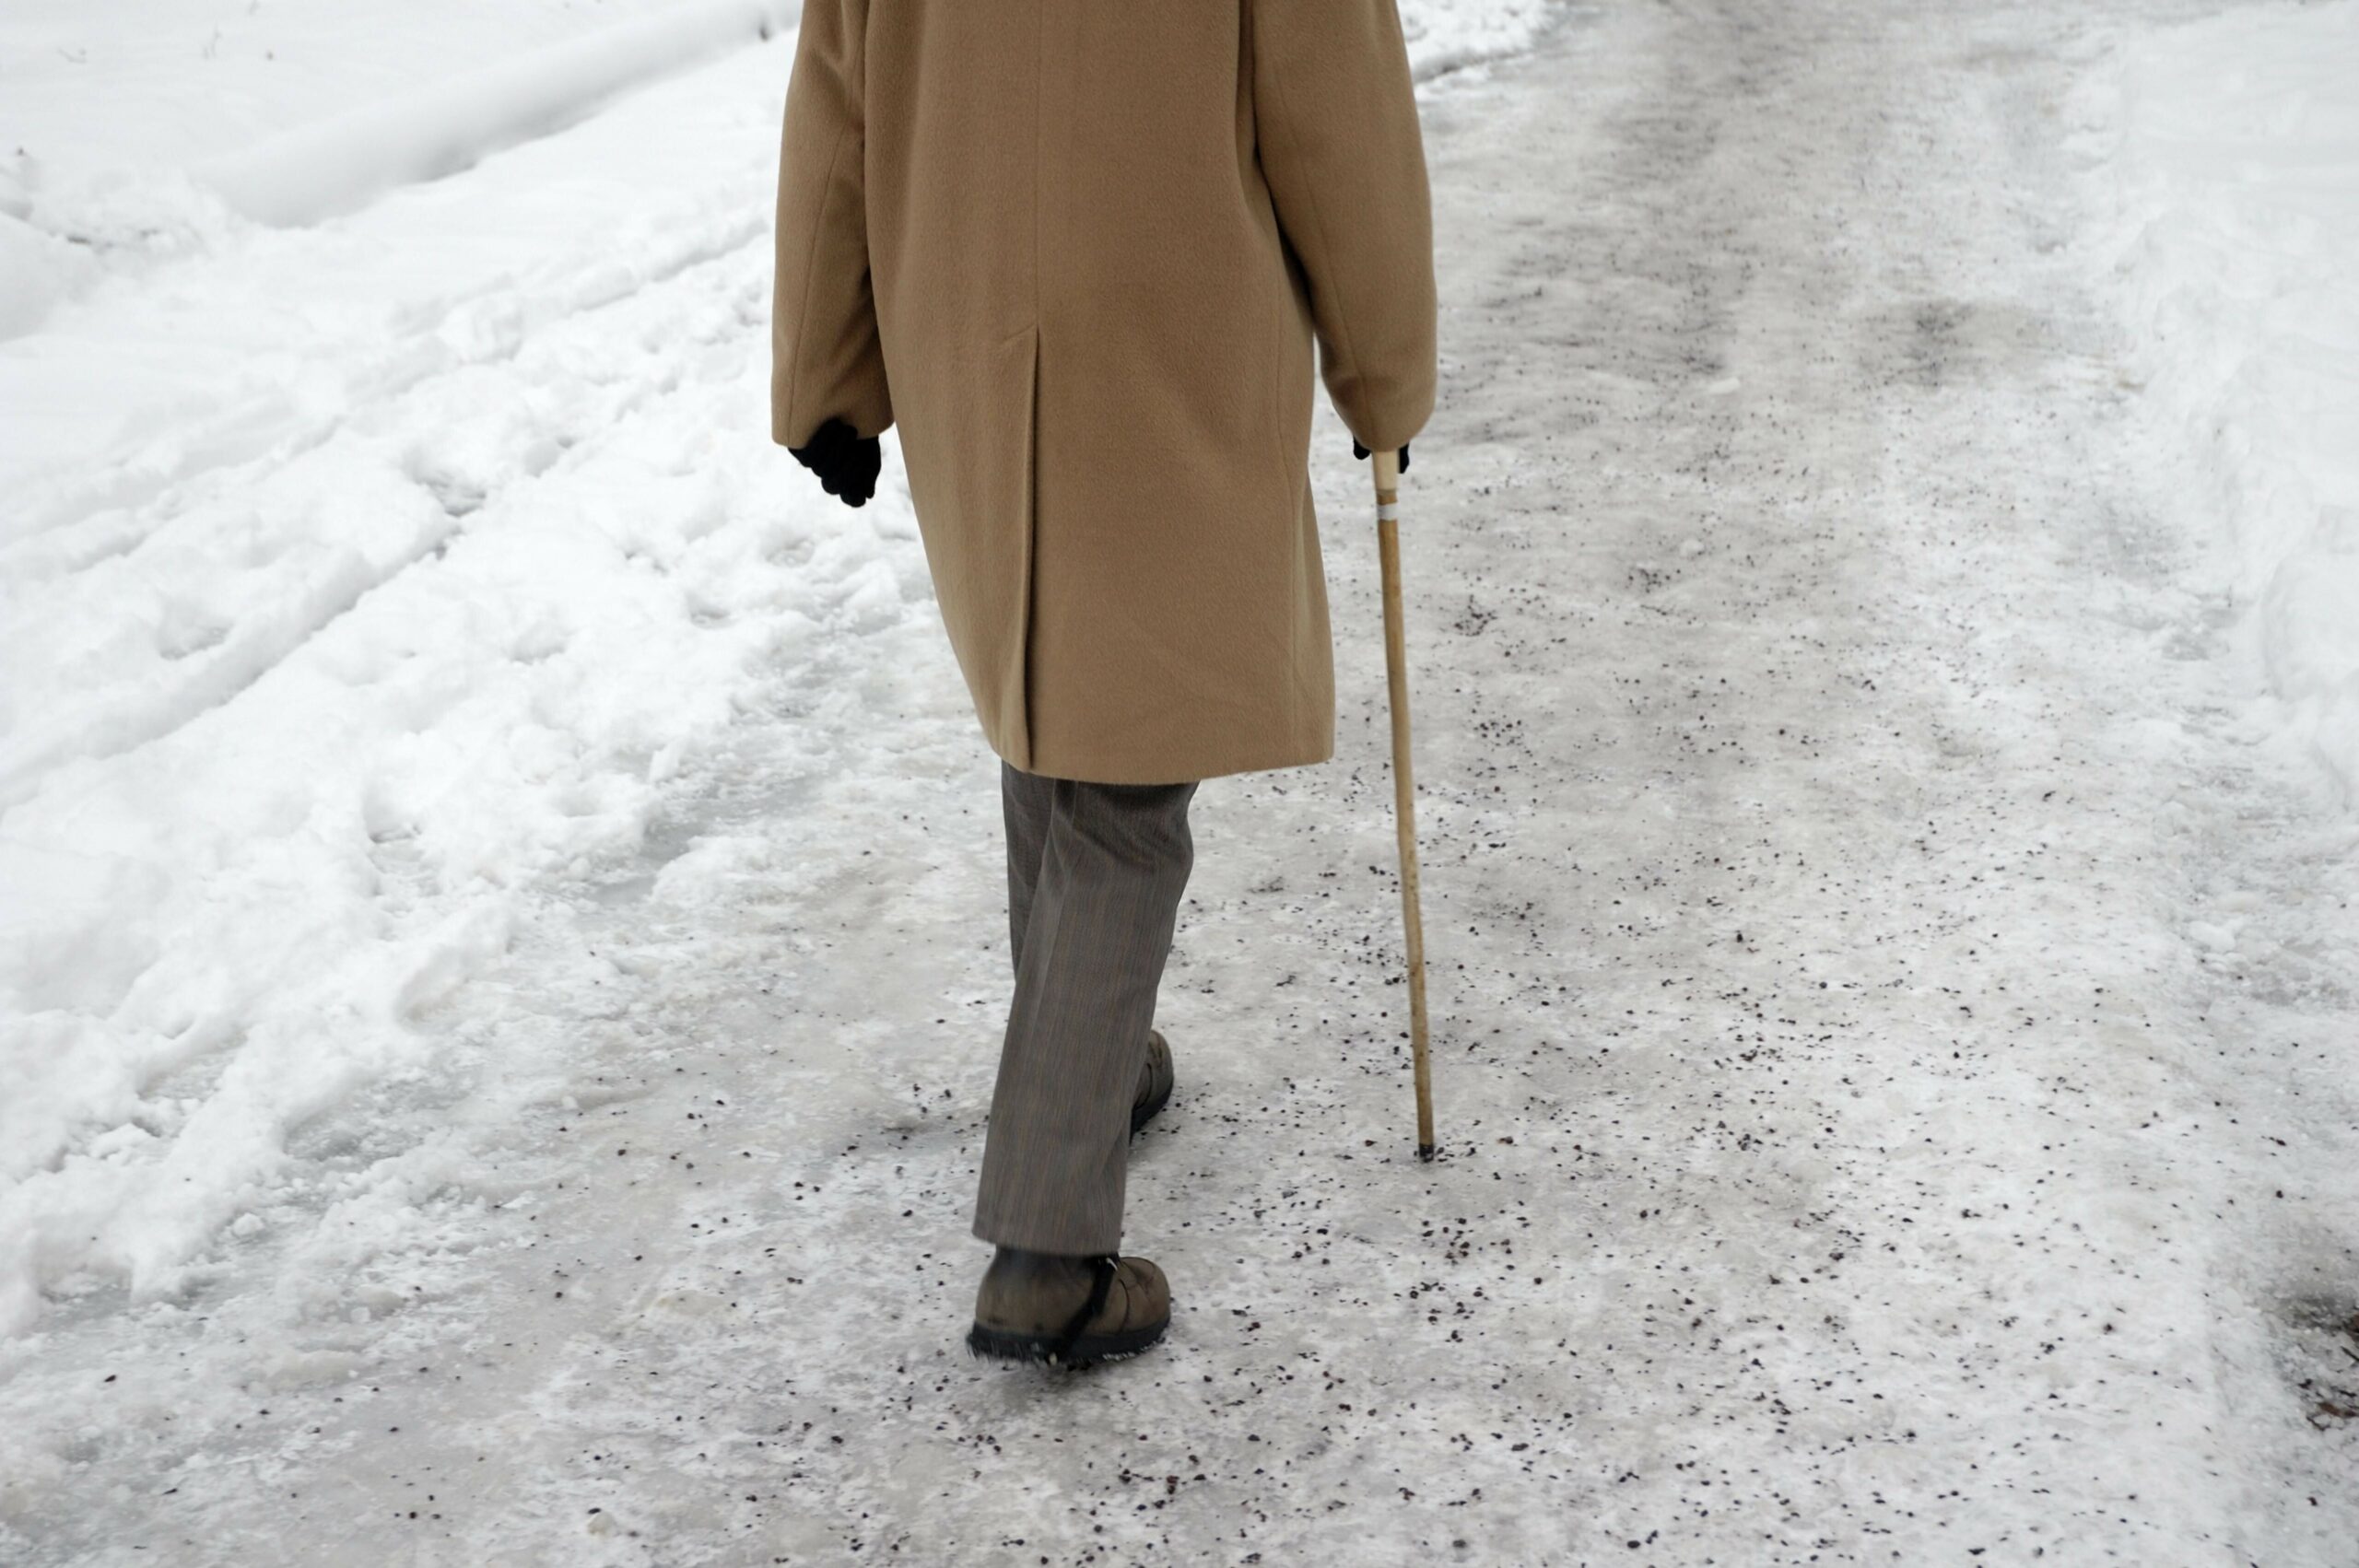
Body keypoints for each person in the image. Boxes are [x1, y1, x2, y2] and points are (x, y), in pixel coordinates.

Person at [769, 0, 1437, 1366]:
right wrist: (1384, 378)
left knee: (1053, 688)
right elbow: (1339, 124)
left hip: (964, 311)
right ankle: (1047, 1248)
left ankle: (1091, 1063)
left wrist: (825, 375)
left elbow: (840, 100)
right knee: (1127, 773)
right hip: (1168, 318)